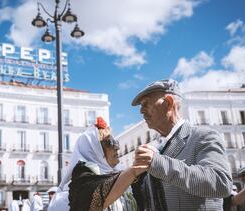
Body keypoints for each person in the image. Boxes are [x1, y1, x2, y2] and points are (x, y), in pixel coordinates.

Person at [131, 79, 232, 211]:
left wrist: (157, 162)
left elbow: (221, 184)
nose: (141, 111)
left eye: (146, 104)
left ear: (168, 103)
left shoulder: (204, 137)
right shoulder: (158, 148)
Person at [48, 117, 140, 211]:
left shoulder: (121, 173)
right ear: (94, 151)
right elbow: (96, 192)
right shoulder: (73, 192)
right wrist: (134, 171)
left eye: (115, 142)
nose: (116, 147)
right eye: (110, 142)